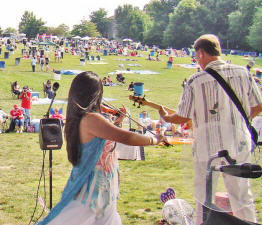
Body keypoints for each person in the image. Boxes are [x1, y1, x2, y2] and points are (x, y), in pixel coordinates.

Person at [158, 34, 262, 224]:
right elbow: (258, 108)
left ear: (201, 53)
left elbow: (182, 116)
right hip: (237, 143)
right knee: (241, 196)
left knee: (204, 198)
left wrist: (166, 117)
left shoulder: (195, 80)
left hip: (207, 147)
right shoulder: (243, 73)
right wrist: (238, 122)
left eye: (196, 56)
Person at [38, 71, 166, 225]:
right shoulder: (91, 118)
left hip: (101, 187)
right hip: (92, 190)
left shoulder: (84, 117)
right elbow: (126, 137)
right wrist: (154, 140)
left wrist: (117, 121)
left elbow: (104, 138)